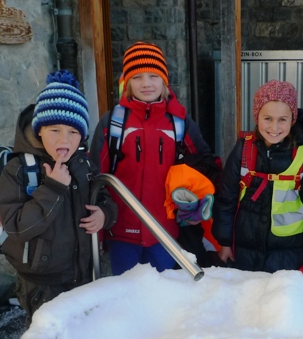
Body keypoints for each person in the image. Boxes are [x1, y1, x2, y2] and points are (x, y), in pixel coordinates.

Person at [0, 70, 118, 325]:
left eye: (73, 132)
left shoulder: (83, 165)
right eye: (55, 130)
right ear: (39, 131)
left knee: (82, 331)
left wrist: (104, 214)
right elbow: (17, 227)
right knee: (50, 337)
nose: (65, 139)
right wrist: (52, 188)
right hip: (43, 283)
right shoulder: (19, 170)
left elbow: (105, 197)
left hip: (82, 271)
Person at [89, 42, 214, 276]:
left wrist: (196, 204)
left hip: (165, 232)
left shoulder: (178, 122)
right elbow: (95, 175)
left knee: (163, 292)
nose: (146, 83)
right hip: (122, 232)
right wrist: (100, 229)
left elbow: (205, 164)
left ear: (164, 80)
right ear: (127, 82)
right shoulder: (113, 122)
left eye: (153, 76)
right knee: (126, 293)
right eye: (137, 77)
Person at [213, 80, 303, 274]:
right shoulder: (243, 150)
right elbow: (226, 198)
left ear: (292, 119)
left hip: (289, 253)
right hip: (244, 253)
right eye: (268, 118)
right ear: (257, 117)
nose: (274, 127)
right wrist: (225, 243)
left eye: (282, 119)